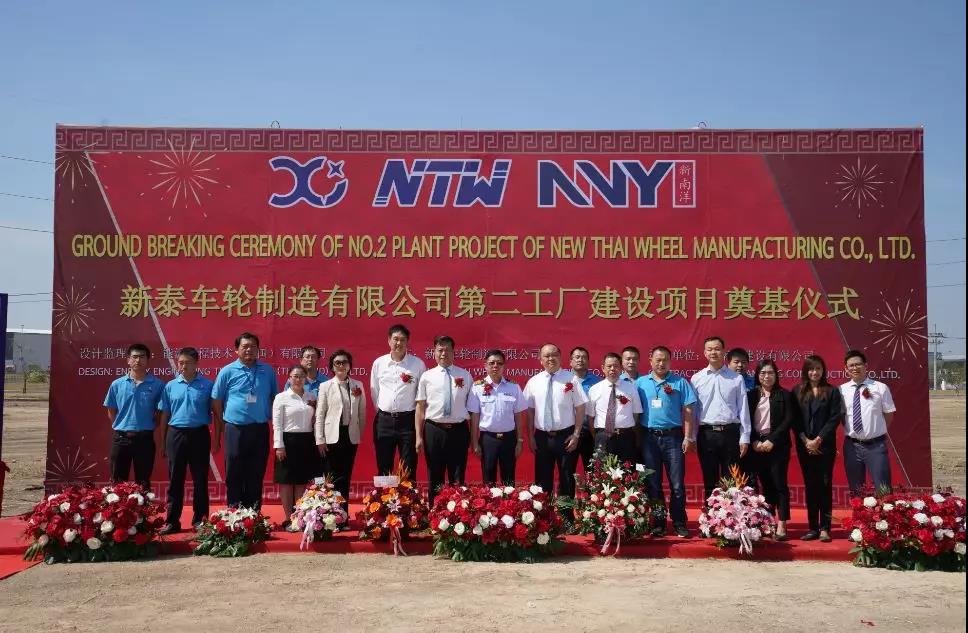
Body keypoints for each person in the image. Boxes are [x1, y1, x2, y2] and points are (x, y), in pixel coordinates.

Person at [635, 346, 697, 538]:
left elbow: (688, 411)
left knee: (677, 484)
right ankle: (659, 523)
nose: (661, 363)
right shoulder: (640, 383)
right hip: (648, 438)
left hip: (673, 438)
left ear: (670, 361)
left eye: (665, 360)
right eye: (658, 360)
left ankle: (679, 522)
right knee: (652, 483)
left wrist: (688, 437)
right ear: (650, 361)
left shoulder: (680, 382)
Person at [212, 332, 278, 510]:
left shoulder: (267, 371)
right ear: (236, 350)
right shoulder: (227, 371)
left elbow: (275, 398)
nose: (249, 349)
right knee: (234, 471)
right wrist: (224, 420)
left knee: (256, 472)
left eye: (253, 346)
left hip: (259, 428)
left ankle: (253, 513)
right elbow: (216, 400)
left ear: (258, 350)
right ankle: (234, 512)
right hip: (235, 429)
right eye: (245, 346)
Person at [158, 347, 214, 534]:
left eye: (187, 363)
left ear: (196, 363)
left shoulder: (207, 385)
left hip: (199, 434)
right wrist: (163, 441)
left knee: (200, 479)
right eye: (180, 363)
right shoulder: (170, 386)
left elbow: (216, 411)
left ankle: (200, 520)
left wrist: (217, 439)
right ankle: (172, 521)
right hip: (176, 434)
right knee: (175, 479)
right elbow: (165, 415)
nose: (183, 366)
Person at [690, 336, 751, 501]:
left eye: (717, 349)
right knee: (709, 478)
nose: (713, 352)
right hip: (706, 434)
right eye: (709, 349)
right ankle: (710, 514)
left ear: (724, 352)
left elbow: (743, 409)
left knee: (730, 480)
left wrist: (745, 437)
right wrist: (692, 437)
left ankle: (730, 515)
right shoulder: (697, 378)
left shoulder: (736, 378)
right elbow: (694, 411)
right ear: (704, 353)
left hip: (730, 433)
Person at [523, 344, 588, 498]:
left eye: (554, 355)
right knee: (542, 480)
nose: (551, 358)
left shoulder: (571, 379)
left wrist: (576, 435)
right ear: (540, 360)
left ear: (560, 357)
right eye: (546, 356)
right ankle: (544, 511)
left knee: (567, 478)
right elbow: (530, 411)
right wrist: (530, 437)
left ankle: (566, 513)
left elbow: (580, 408)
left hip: (566, 437)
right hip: (542, 437)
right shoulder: (534, 381)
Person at [415, 335, 473, 504]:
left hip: (459, 430)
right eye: (440, 350)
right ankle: (435, 511)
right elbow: (420, 407)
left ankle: (458, 514)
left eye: (447, 350)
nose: (443, 353)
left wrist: (473, 437)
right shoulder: (427, 376)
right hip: (434, 430)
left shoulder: (465, 375)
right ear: (434, 352)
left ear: (454, 352)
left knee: (458, 476)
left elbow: (472, 408)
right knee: (435, 474)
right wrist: (418, 436)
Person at [792, 355, 843, 542]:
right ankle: (812, 527)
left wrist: (818, 439)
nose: (814, 372)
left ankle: (825, 528)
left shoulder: (832, 391)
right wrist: (806, 440)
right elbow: (794, 419)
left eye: (818, 369)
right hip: (804, 446)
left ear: (823, 371)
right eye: (811, 369)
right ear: (806, 371)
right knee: (810, 485)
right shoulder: (797, 391)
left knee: (824, 485)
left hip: (825, 446)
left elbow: (834, 418)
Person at [744, 359, 795, 540]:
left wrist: (772, 440)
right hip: (757, 446)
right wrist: (754, 441)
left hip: (778, 445)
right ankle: (768, 520)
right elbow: (745, 420)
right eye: (763, 373)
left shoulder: (785, 395)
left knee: (779, 484)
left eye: (770, 373)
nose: (767, 376)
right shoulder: (751, 395)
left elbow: (788, 420)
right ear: (758, 375)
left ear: (776, 375)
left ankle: (782, 523)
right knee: (765, 484)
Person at [103, 343, 164, 490]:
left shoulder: (158, 385)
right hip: (121, 438)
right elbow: (111, 409)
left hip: (144, 439)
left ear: (148, 360)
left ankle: (143, 506)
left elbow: (161, 412)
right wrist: (120, 426)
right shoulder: (117, 384)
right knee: (118, 482)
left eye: (142, 357)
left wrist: (150, 426)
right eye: (135, 357)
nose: (138, 360)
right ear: (128, 360)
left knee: (143, 482)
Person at [370, 324, 426, 476]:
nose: (398, 343)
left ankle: (408, 492)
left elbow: (421, 396)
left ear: (407, 342)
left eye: (402, 340)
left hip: (408, 422)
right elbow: (375, 391)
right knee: (384, 466)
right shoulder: (379, 363)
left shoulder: (417, 364)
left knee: (408, 466)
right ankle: (384, 492)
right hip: (384, 421)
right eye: (395, 339)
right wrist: (385, 411)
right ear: (389, 340)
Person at [271, 365, 323, 528]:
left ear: (306, 378)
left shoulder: (311, 397)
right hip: (288, 441)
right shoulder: (281, 397)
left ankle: (299, 517)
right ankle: (288, 518)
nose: (298, 379)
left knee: (301, 480)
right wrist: (279, 446)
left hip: (306, 441)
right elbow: (277, 424)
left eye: (301, 376)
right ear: (289, 378)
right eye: (295, 376)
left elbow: (315, 420)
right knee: (286, 481)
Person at [316, 349, 366, 513]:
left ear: (349, 366)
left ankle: (342, 514)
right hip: (331, 436)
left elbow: (362, 413)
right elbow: (320, 414)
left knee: (345, 475)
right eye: (337, 363)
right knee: (331, 477)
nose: (341, 365)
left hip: (350, 436)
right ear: (332, 366)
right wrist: (320, 439)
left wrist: (358, 434)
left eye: (344, 362)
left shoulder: (358, 385)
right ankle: (330, 514)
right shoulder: (325, 386)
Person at [467, 349, 528, 486]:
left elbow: (518, 416)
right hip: (488, 439)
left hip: (509, 439)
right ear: (485, 365)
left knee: (509, 480)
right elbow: (475, 417)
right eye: (492, 363)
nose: (495, 366)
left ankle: (509, 501)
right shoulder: (477, 387)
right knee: (488, 480)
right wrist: (475, 443)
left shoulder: (513, 387)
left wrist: (519, 441)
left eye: (499, 363)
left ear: (504, 366)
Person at [840, 349, 896, 496]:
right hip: (852, 446)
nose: (855, 368)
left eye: (858, 364)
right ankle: (859, 511)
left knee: (883, 490)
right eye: (851, 365)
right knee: (856, 490)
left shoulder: (880, 388)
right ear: (846, 369)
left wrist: (875, 431)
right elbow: (841, 416)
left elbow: (889, 414)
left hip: (876, 446)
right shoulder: (841, 390)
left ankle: (885, 511)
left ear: (866, 366)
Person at [587, 352, 643, 462]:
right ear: (603, 368)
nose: (612, 369)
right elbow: (590, 417)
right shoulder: (594, 389)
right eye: (609, 366)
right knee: (602, 470)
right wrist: (599, 435)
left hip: (625, 437)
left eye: (616, 366)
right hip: (603, 437)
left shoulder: (631, 388)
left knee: (627, 470)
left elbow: (636, 414)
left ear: (621, 368)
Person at [569, 346, 601, 473]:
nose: (580, 360)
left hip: (590, 431)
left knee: (592, 470)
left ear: (588, 361)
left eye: (583, 357)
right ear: (570, 361)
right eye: (577, 357)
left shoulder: (598, 382)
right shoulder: (564, 380)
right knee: (567, 469)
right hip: (570, 431)